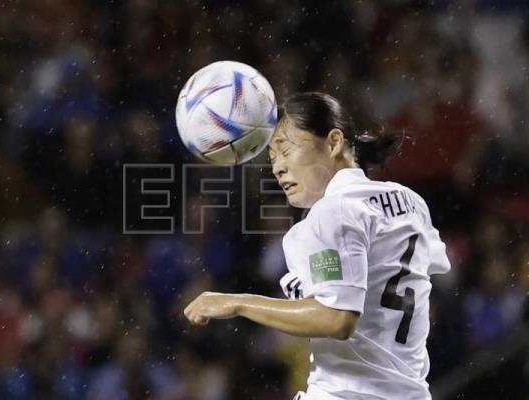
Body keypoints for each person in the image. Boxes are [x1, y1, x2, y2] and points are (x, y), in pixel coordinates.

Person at [184, 92, 451, 400]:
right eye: (272, 159)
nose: (278, 168)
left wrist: (238, 303)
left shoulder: (332, 212)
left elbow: (336, 318)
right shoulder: (409, 201)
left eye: (285, 150)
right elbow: (433, 266)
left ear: (334, 141)